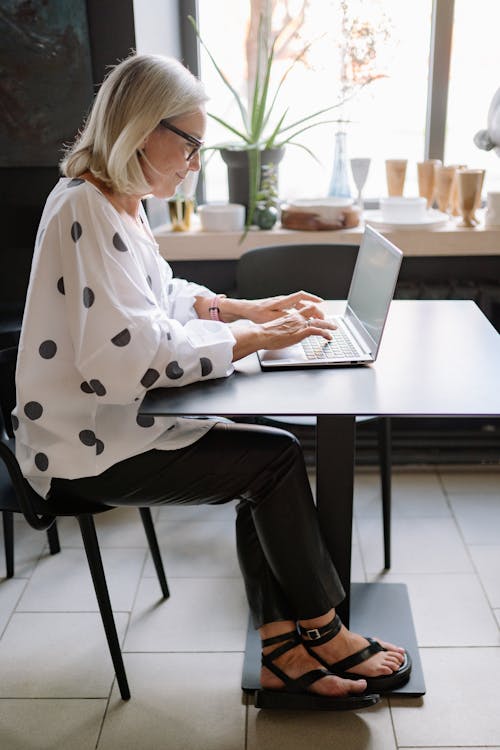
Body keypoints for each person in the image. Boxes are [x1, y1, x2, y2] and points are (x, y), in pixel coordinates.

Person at [13, 53, 410, 710]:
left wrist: (250, 310)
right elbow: (125, 359)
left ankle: (285, 650)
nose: (196, 160)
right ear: (142, 130)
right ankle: (323, 632)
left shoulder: (120, 202)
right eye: (190, 143)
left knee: (267, 456)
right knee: (273, 461)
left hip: (105, 429)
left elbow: (162, 298)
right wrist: (257, 338)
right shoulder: (87, 208)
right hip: (80, 451)